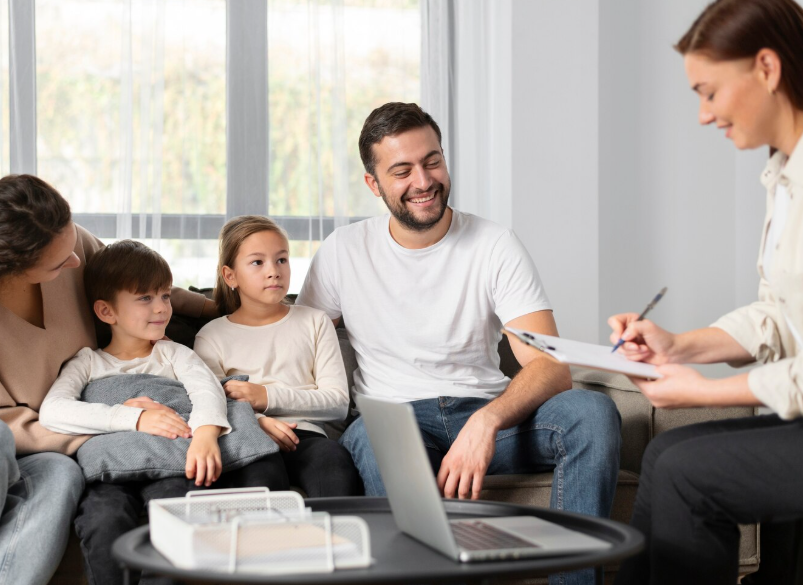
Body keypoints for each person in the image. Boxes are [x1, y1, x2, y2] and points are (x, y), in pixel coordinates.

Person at [296, 102, 621, 585]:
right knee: (373, 439)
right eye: (402, 170)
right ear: (373, 183)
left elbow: (553, 368)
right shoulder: (344, 250)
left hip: (487, 413)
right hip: (397, 420)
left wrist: (487, 421)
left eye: (432, 161)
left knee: (593, 414)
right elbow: (294, 344)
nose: (423, 181)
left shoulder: (494, 244)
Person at [0, 174, 232, 585]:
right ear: (6, 268)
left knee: (62, 474)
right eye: (59, 262)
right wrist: (112, 421)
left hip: (34, 439)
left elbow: (131, 281)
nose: (76, 262)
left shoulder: (71, 245)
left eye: (72, 243)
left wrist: (213, 311)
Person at [609, 1, 803, 584]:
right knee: (668, 454)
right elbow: (781, 317)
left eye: (709, 91)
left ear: (766, 68)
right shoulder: (785, 174)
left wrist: (703, 391)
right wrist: (678, 347)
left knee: (687, 474)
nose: (701, 114)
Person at [39, 239, 286, 585]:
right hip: (110, 472)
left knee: (179, 513)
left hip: (172, 463)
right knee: (103, 519)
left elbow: (207, 391)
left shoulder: (173, 354)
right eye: (145, 298)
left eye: (166, 296)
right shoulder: (88, 362)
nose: (161, 308)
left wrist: (204, 436)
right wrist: (134, 418)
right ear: (106, 312)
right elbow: (53, 411)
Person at [194, 216, 363, 497]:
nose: (274, 271)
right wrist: (257, 421)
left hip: (306, 436)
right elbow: (211, 406)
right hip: (247, 436)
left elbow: (337, 403)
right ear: (230, 276)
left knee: (333, 464)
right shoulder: (211, 336)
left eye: (281, 259)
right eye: (258, 262)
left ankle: (332, 540)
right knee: (260, 475)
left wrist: (265, 396)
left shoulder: (316, 321)